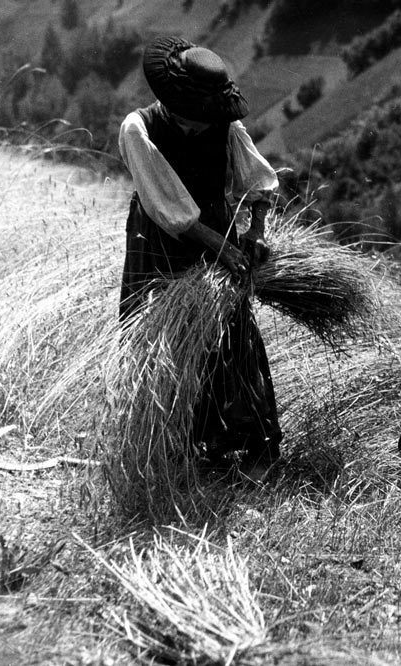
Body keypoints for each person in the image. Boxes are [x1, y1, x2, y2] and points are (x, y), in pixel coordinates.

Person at [117, 36, 282, 474]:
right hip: (161, 242)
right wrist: (221, 247)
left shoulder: (223, 123)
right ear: (171, 103)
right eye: (191, 120)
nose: (199, 128)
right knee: (166, 340)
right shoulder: (139, 129)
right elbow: (169, 210)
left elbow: (260, 182)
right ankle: (171, 445)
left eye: (204, 120)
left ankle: (252, 444)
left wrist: (256, 229)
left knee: (234, 335)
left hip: (217, 233)